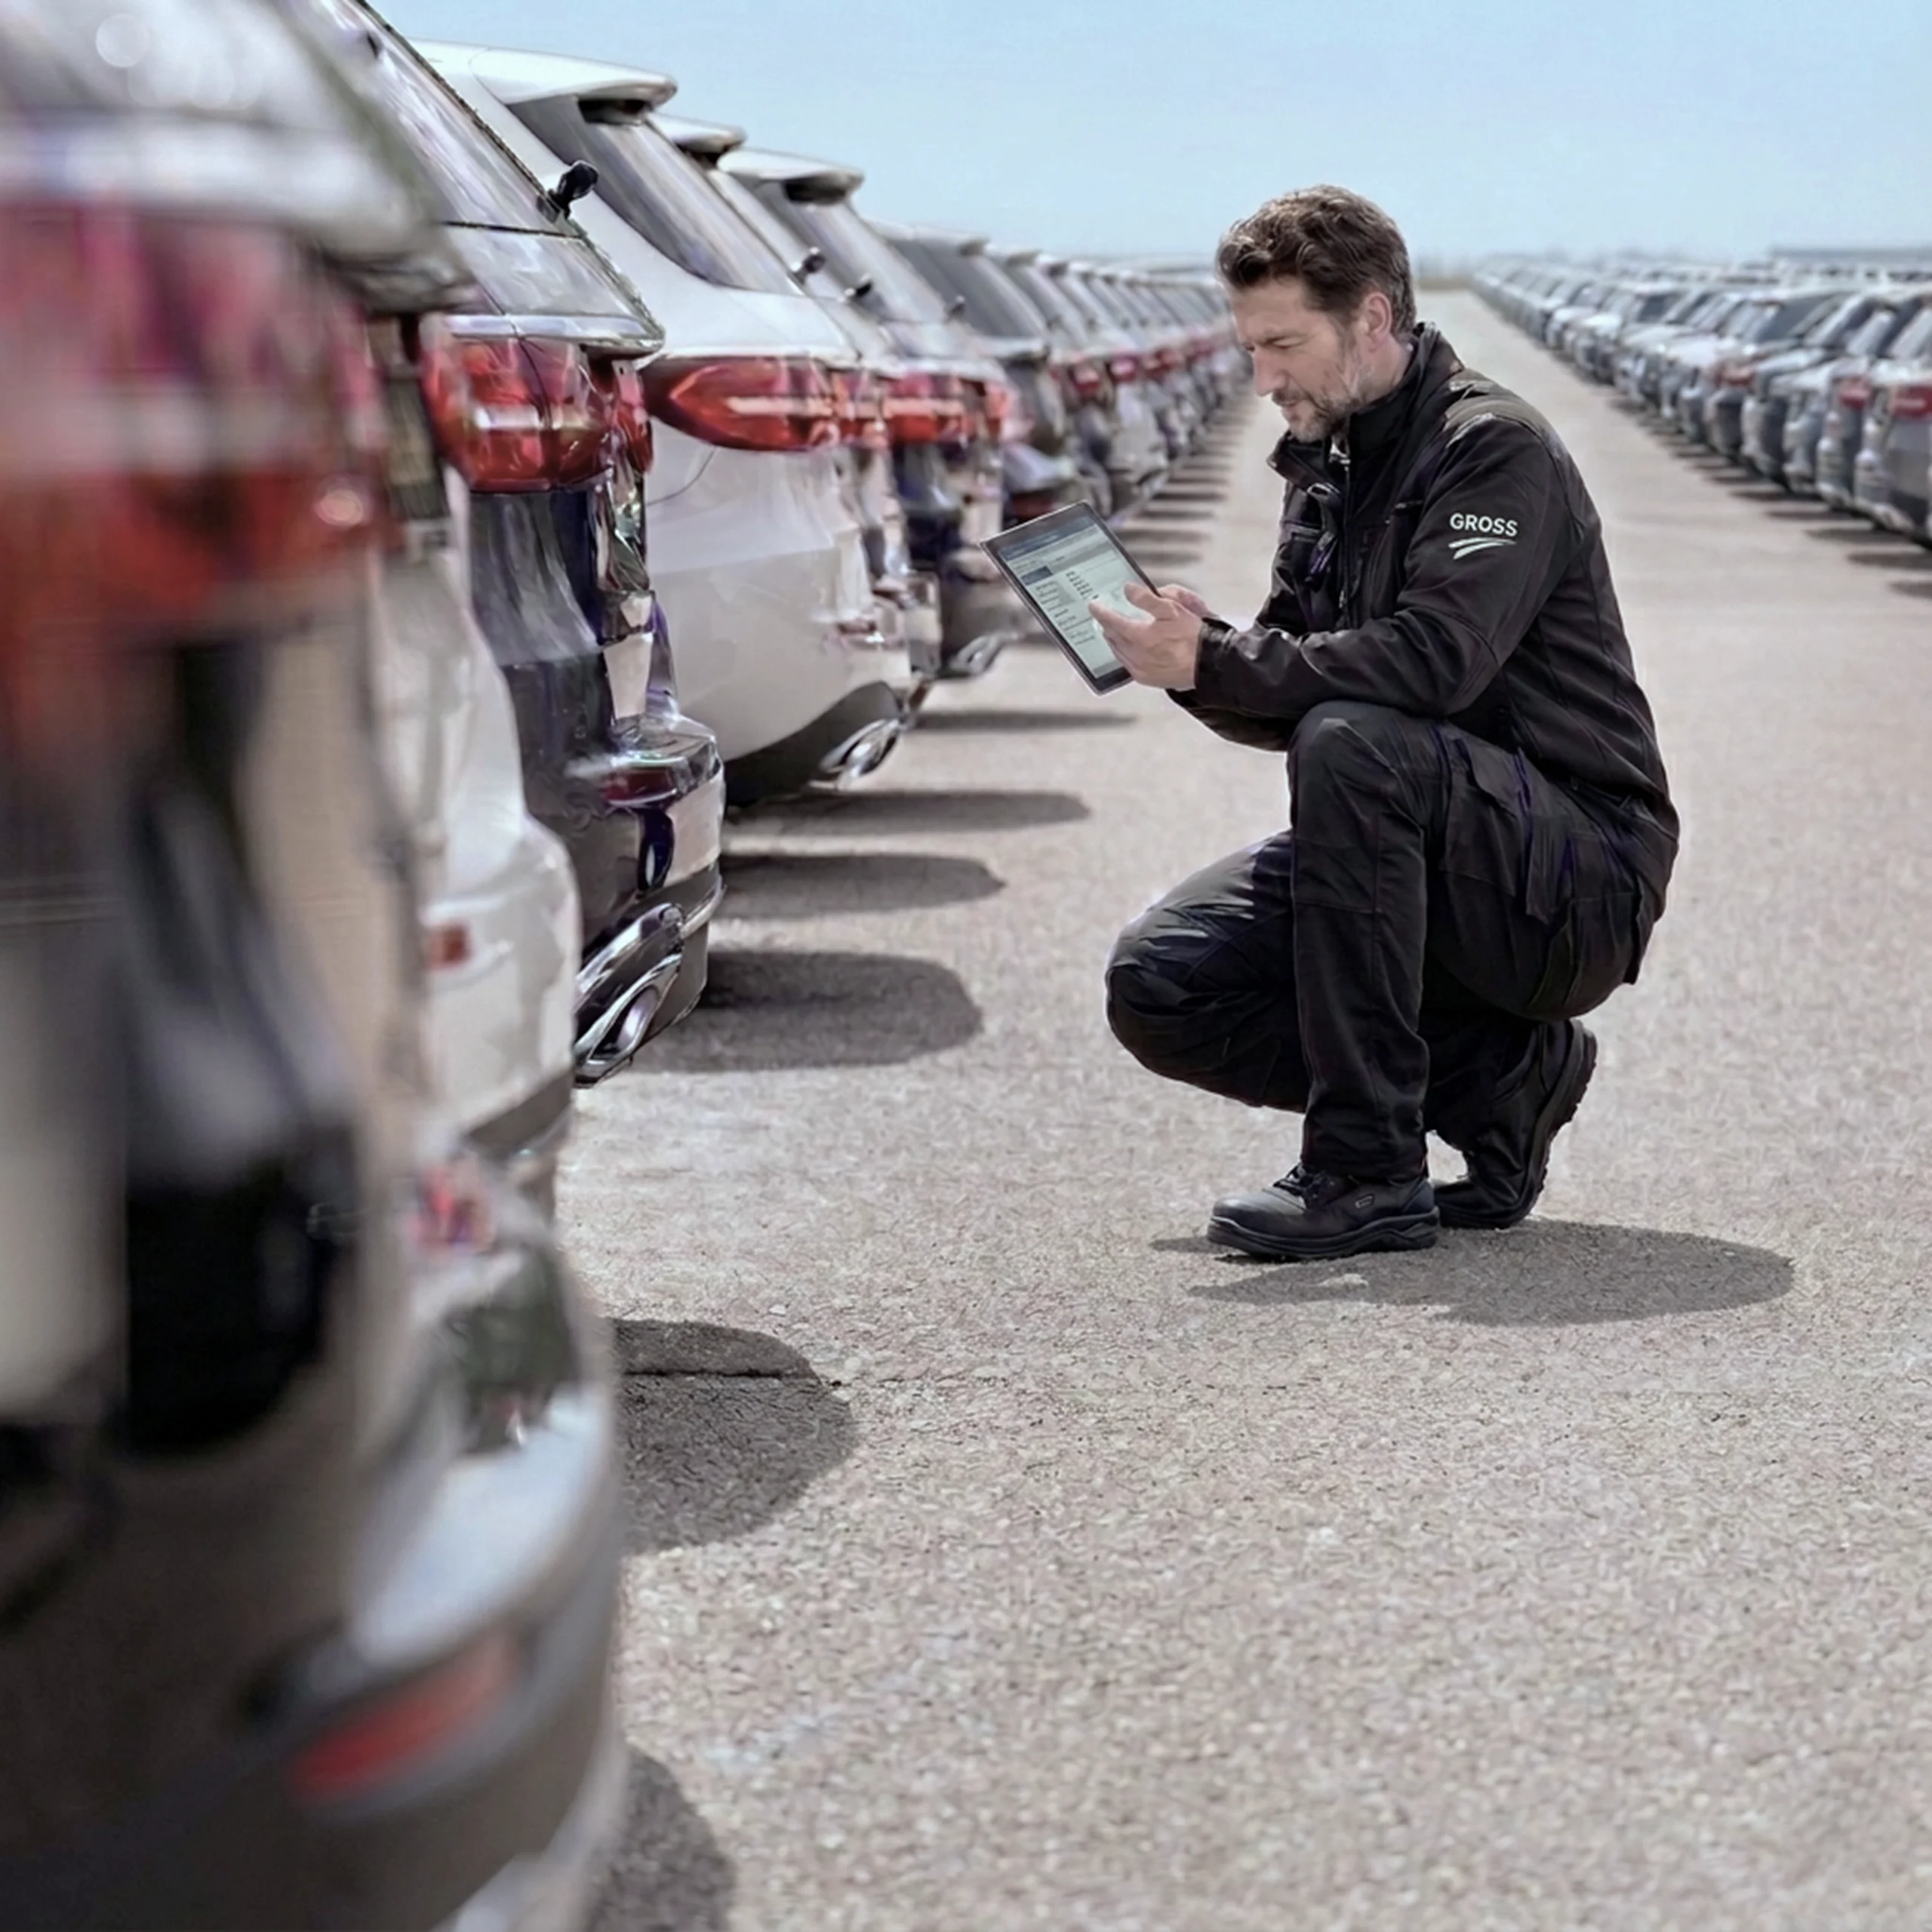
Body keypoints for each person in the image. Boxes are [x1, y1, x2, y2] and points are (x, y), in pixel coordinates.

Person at [1090, 186, 1677, 1263]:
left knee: (1352, 743)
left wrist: (1224, 662)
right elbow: (1290, 685)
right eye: (1250, 347)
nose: (1263, 378)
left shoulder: (1494, 449)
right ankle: (1501, 1079)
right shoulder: (1333, 459)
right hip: (1421, 850)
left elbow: (1436, 661)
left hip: (1575, 877)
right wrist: (1193, 655)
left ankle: (1368, 1172)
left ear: (1370, 318)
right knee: (1160, 982)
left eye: (1282, 344)